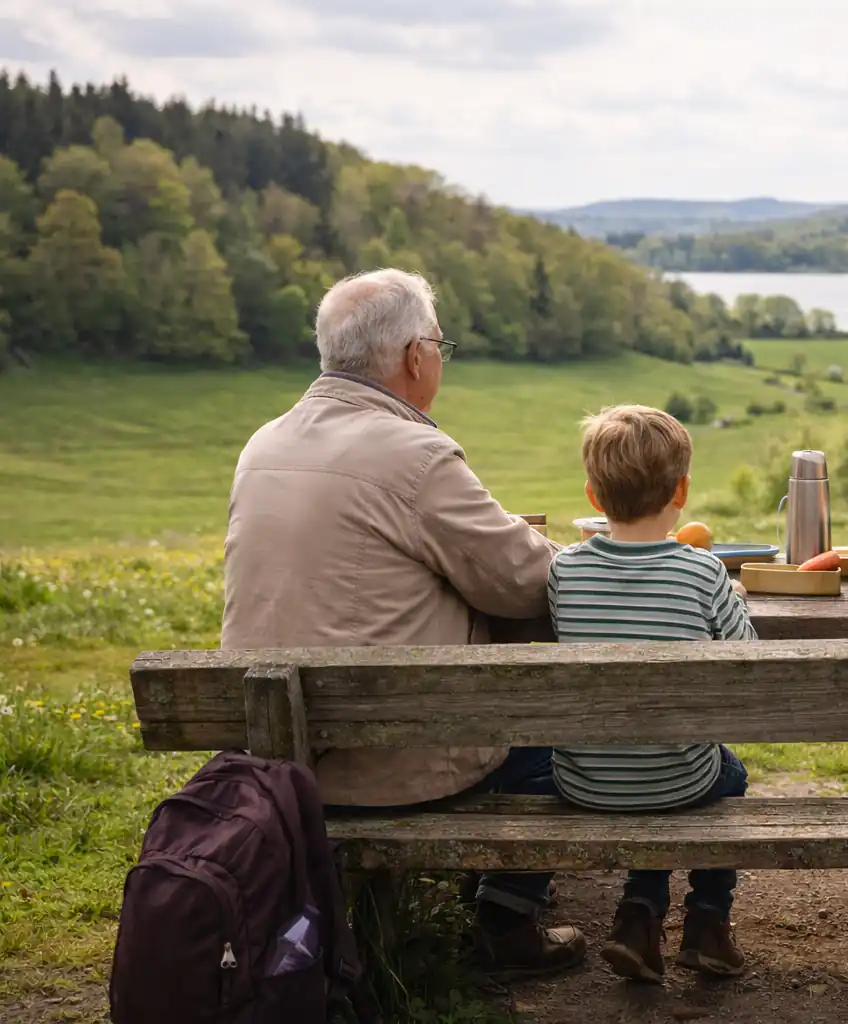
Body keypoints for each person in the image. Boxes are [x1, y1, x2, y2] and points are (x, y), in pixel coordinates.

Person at [221, 268, 586, 976]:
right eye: (439, 345)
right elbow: (526, 583)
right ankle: (507, 924)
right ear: (415, 356)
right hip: (383, 765)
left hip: (277, 754)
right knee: (561, 738)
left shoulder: (263, 444)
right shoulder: (414, 454)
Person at [547, 405, 756, 983]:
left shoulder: (565, 570)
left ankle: (639, 915)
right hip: (677, 778)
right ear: (681, 491)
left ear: (593, 496)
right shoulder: (702, 572)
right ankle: (708, 923)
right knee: (724, 773)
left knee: (645, 753)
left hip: (582, 778)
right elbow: (748, 657)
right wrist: (732, 594)